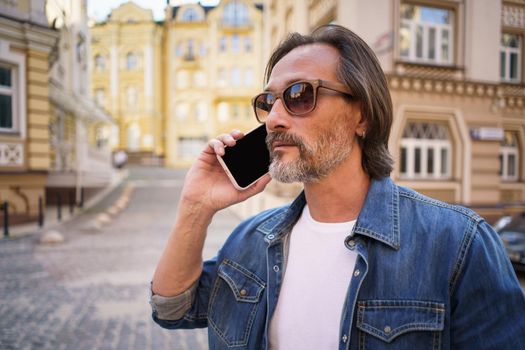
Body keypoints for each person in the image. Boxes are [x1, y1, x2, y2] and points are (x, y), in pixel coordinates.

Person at [150, 25, 525, 349]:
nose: (275, 119)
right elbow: (171, 310)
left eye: (299, 95)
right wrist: (196, 205)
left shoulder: (458, 245)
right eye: (268, 102)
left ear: (361, 115)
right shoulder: (251, 240)